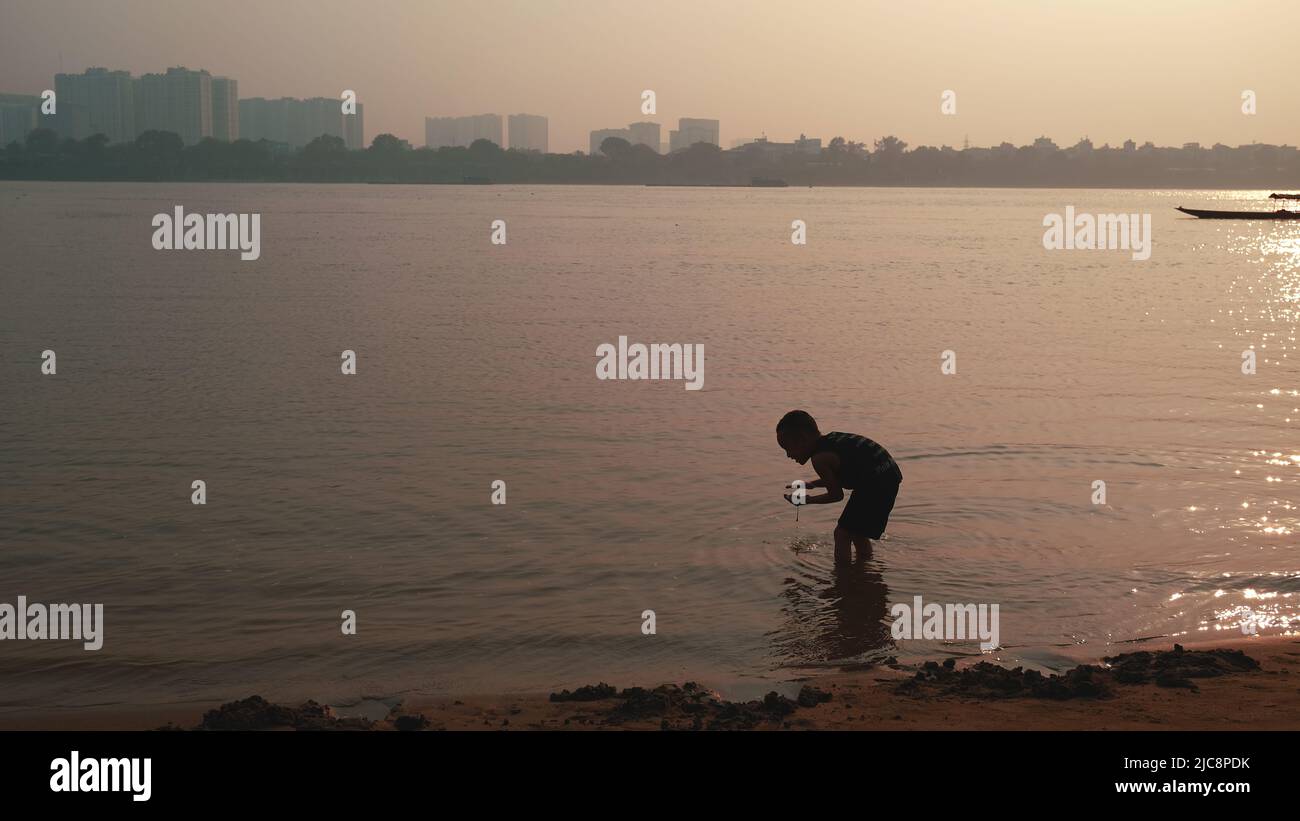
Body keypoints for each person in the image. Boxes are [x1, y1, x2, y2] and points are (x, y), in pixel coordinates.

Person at [777, 410, 902, 561]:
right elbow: (847, 473)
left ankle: (842, 576)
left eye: (787, 448)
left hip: (876, 481)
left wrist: (805, 500)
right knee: (857, 532)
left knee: (842, 534)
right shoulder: (832, 441)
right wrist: (812, 484)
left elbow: (836, 495)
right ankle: (863, 570)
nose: (788, 455)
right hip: (887, 474)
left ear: (803, 439)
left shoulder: (819, 459)